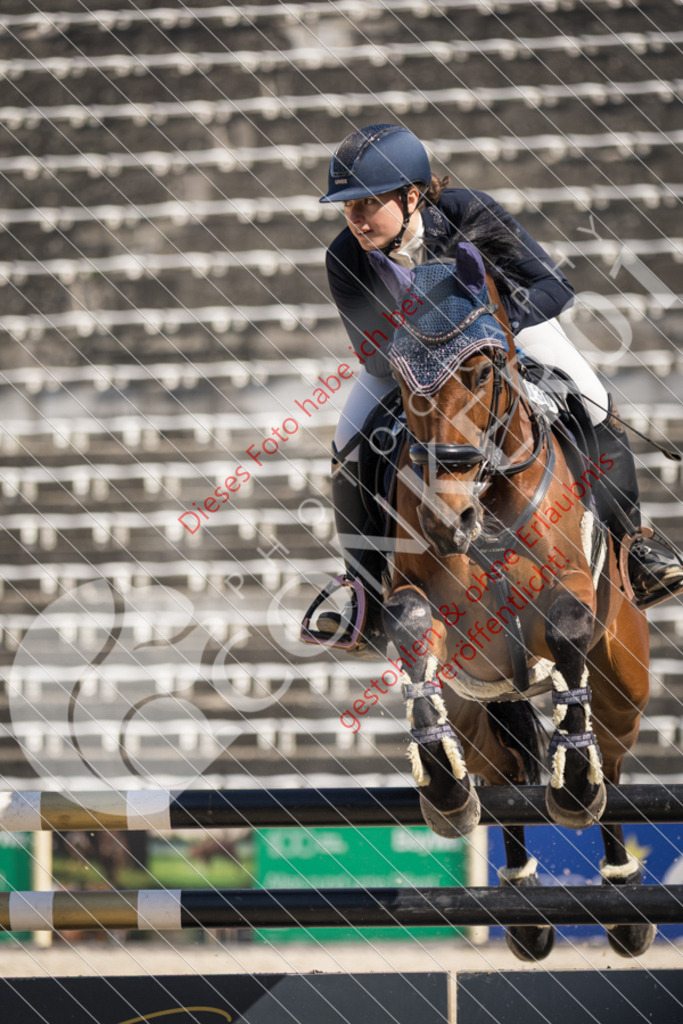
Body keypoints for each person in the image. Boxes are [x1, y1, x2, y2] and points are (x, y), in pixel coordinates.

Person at [313, 122, 683, 653]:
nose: (354, 218)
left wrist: (485, 332)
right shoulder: (344, 258)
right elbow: (372, 354)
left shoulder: (468, 214)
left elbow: (552, 287)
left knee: (593, 399)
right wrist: (431, 352)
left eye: (366, 204)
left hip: (512, 334)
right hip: (414, 366)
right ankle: (363, 590)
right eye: (347, 207)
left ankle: (633, 549)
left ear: (411, 196)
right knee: (347, 444)